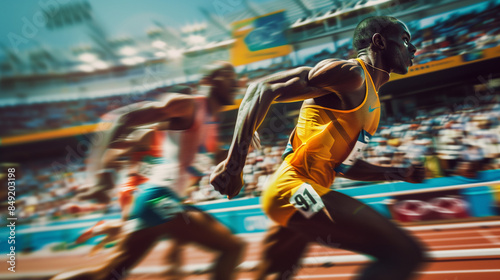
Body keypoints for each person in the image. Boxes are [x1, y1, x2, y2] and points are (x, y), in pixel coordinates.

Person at [210, 16, 425, 280]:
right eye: (404, 40)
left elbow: (345, 166)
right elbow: (261, 88)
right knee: (403, 252)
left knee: (275, 274)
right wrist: (234, 165)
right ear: (379, 42)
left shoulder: (373, 106)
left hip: (304, 190)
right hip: (294, 189)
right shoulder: (351, 74)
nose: (412, 48)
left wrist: (399, 173)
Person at [52, 61, 245, 280]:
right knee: (233, 247)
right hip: (159, 199)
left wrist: (240, 147)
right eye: (228, 75)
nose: (235, 82)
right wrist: (102, 176)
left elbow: (211, 158)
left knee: (108, 275)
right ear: (208, 81)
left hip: (158, 202)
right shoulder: (188, 105)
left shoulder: (212, 126)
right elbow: (123, 118)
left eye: (235, 76)